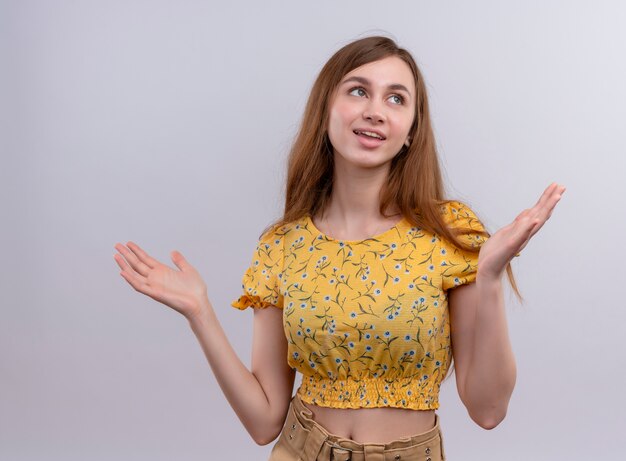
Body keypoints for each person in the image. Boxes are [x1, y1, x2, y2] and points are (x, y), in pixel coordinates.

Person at [113, 36, 565, 460]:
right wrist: (200, 311)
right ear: (326, 110)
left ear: (410, 130)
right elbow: (263, 422)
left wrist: (487, 280)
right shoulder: (282, 246)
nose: (375, 110)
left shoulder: (449, 233)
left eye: (396, 98)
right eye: (357, 91)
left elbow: (488, 411)